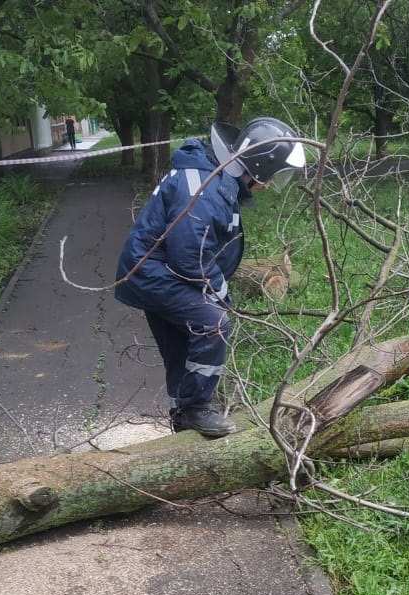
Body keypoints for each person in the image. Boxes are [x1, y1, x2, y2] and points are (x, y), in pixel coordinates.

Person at [114, 117, 306, 437]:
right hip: (155, 274)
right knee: (213, 322)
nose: (271, 183)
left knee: (182, 346)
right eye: (272, 175)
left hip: (156, 272)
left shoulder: (214, 176)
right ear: (257, 166)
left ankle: (183, 417)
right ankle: (196, 407)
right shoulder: (205, 185)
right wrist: (218, 289)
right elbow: (189, 253)